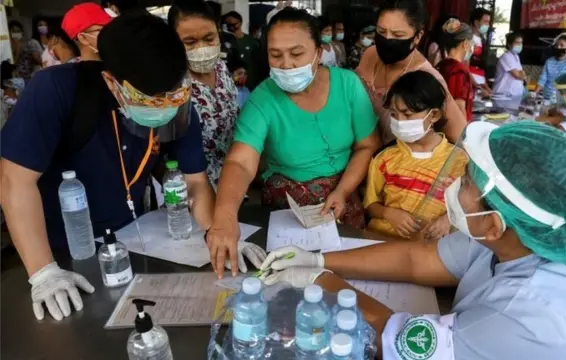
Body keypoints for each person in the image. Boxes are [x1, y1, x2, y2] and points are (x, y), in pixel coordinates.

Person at [259, 120, 566, 360]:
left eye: (467, 182)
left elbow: (398, 342)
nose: (454, 186)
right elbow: (418, 260)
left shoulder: (527, 317)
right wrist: (319, 259)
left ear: (495, 223)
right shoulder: (520, 236)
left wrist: (320, 284)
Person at [0, 13, 263, 322]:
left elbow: (195, 181)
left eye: (172, 93)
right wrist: (43, 271)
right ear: (112, 81)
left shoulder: (178, 100)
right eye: (149, 99)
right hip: (64, 249)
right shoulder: (56, 89)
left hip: (135, 240)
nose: (163, 105)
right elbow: (14, 180)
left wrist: (215, 232)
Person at [207, 7, 380, 277]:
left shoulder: (348, 85)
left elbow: (367, 145)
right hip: (287, 210)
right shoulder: (263, 99)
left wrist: (343, 191)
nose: (286, 64)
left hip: (344, 196)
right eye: (276, 55)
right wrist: (225, 216)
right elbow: (241, 161)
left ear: (319, 53)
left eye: (297, 54)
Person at [364, 71, 466, 240]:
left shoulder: (459, 161)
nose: (399, 121)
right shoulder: (384, 159)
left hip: (431, 251)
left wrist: (448, 219)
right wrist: (389, 213)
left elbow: (470, 205)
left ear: (434, 115)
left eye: (407, 114)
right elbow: (370, 204)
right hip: (384, 243)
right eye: (394, 115)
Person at [356, 0, 466, 145]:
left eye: (398, 35)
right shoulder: (370, 55)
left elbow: (459, 136)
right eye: (381, 31)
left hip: (398, 163)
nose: (387, 39)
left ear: (418, 36)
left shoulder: (426, 77)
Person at [169, 0, 240, 189]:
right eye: (190, 42)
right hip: (194, 188)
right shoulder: (172, 85)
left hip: (233, 180)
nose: (202, 48)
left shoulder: (221, 67)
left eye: (209, 39)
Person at [436, 19, 474, 122]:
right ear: (465, 43)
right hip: (455, 129)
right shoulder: (459, 71)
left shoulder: (441, 65)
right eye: (471, 42)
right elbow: (459, 106)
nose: (471, 46)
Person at [536, 32, 566, 100]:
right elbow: (542, 80)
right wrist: (534, 93)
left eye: (562, 45)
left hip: (563, 99)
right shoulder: (549, 61)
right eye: (556, 45)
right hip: (546, 98)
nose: (558, 47)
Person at [493, 32, 526, 98]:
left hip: (514, 95)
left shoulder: (516, 56)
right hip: (504, 94)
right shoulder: (506, 56)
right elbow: (518, 75)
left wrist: (522, 75)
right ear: (509, 44)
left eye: (521, 43)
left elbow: (523, 75)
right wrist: (521, 75)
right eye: (517, 43)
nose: (520, 45)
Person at [468, 7, 492, 97]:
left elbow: (480, 70)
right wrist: (478, 87)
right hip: (470, 86)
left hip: (480, 86)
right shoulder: (469, 40)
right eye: (485, 22)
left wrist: (485, 86)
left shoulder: (482, 40)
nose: (488, 25)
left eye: (488, 22)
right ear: (476, 22)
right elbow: (465, 66)